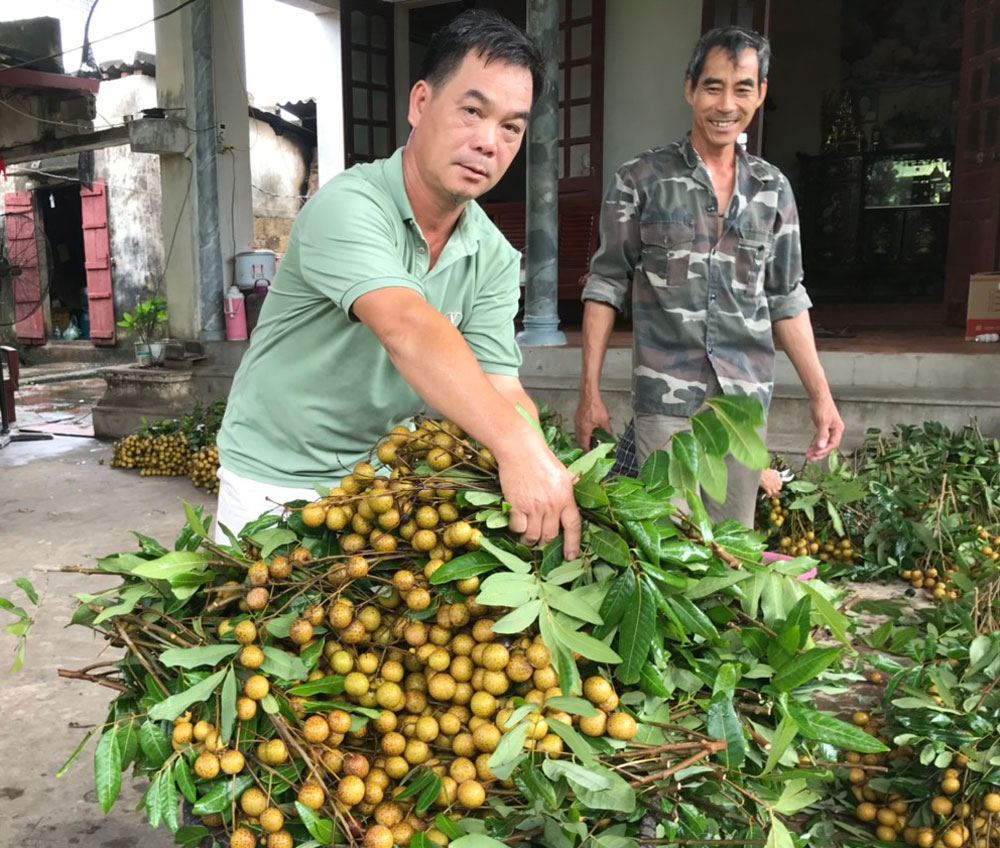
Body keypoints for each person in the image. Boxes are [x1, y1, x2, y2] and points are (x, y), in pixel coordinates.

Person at [216, 10, 581, 558]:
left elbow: (502, 387)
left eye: (511, 127)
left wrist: (540, 459)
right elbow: (407, 327)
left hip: (381, 485)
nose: (489, 142)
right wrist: (515, 449)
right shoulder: (349, 206)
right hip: (276, 479)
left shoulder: (495, 256)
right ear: (420, 103)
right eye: (473, 111)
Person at [574, 25, 843, 527]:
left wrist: (821, 396)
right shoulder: (640, 179)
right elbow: (605, 284)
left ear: (761, 92)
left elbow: (786, 297)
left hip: (742, 407)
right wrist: (589, 392)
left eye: (743, 88)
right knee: (667, 550)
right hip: (666, 399)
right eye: (713, 86)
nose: (726, 103)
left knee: (728, 550)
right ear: (689, 88)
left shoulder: (772, 189)